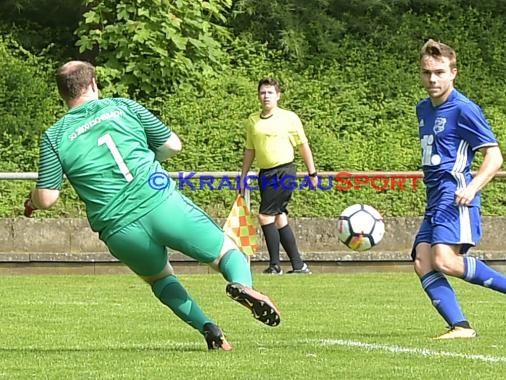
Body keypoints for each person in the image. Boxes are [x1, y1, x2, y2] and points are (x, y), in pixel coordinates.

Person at [23, 60, 281, 351]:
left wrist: (30, 202)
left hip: (119, 228)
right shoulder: (123, 106)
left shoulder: (54, 136)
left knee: (159, 279)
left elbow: (47, 198)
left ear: (62, 95)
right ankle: (243, 286)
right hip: (161, 203)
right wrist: (145, 160)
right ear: (94, 84)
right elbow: (173, 145)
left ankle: (209, 329)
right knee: (226, 252)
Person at [412, 40, 506, 339]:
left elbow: (494, 156)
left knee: (445, 260)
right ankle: (460, 326)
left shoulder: (464, 109)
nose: (433, 79)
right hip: (434, 197)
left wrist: (471, 188)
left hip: (454, 193)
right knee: (422, 261)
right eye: (427, 73)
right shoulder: (423, 108)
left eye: (440, 72)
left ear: (453, 73)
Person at [239, 77, 316, 275]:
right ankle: (299, 265)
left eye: (270, 92)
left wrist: (312, 172)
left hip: (284, 171)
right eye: (263, 92)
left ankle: (275, 265)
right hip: (265, 173)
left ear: (278, 95)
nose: (266, 96)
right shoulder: (253, 120)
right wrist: (243, 176)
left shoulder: (289, 117)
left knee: (265, 216)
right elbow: (250, 149)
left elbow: (302, 145)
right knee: (279, 217)